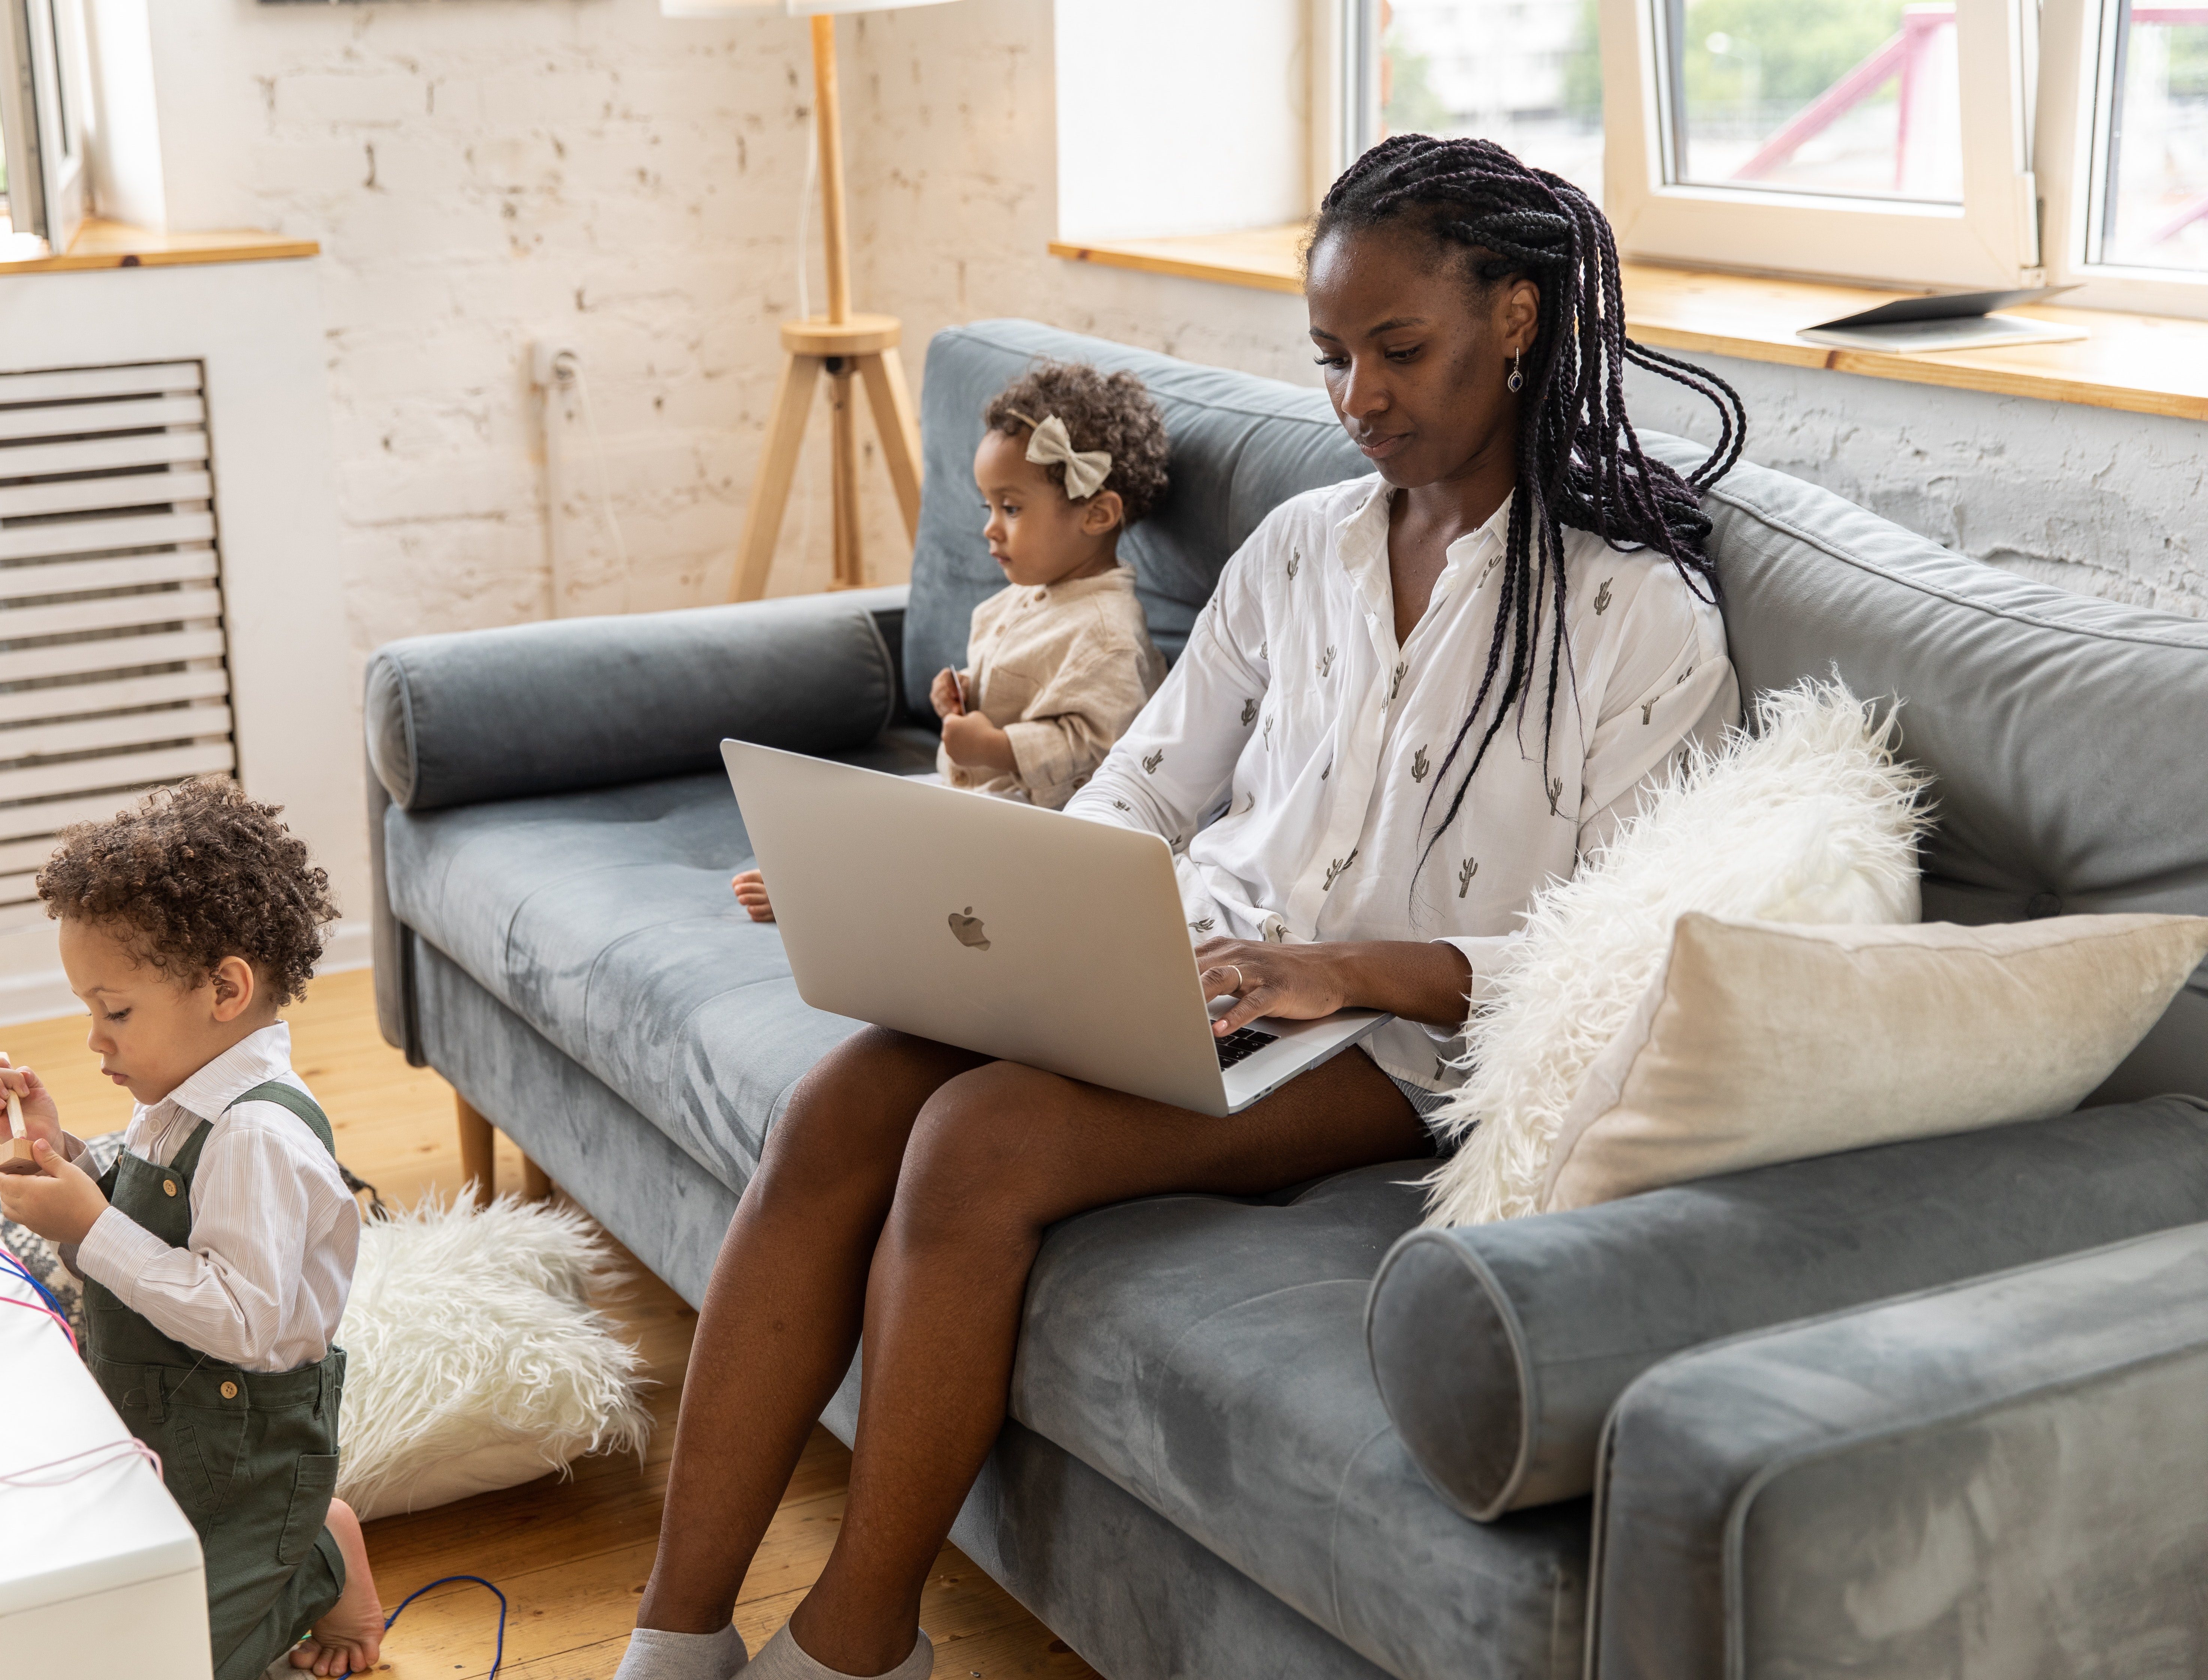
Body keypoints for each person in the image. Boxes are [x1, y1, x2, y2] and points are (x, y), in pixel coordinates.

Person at [627, 133, 1749, 1680]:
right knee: (835, 1107)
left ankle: (853, 1648)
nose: (1356, 395)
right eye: (1333, 356)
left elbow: (1623, 955)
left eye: (1397, 348)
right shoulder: (1304, 548)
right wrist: (1005, 908)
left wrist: (1329, 967)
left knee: (975, 1140)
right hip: (1187, 963)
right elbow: (1146, 794)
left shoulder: (1637, 612)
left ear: (1519, 316)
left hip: (1387, 1040)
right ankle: (672, 1645)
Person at [0, 778, 383, 1680]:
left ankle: (316, 1546)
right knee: (89, 1594)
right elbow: (145, 1212)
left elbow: (242, 1323)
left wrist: (92, 1224)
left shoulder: (256, 1134)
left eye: (115, 1011)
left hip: (247, 1456)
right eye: (91, 1010)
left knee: (173, 1657)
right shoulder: (179, 1098)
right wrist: (62, 1158)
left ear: (225, 989)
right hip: (158, 1417)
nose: (95, 1039)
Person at [732, 362, 1169, 922]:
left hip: (1040, 821)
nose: (990, 527)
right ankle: (824, 864)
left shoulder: (1107, 633)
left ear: (1098, 514)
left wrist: (991, 748)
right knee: (871, 806)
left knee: (926, 853)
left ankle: (831, 891)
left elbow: (1098, 749)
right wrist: (966, 694)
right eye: (987, 506)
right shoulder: (1029, 595)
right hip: (976, 793)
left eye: (1010, 508)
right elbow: (1022, 689)